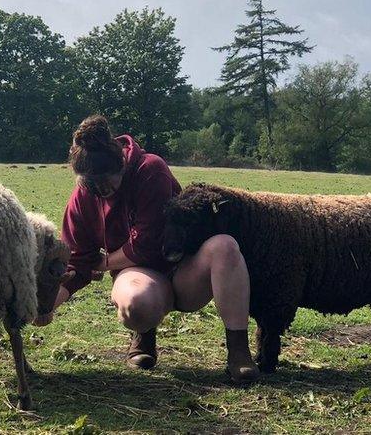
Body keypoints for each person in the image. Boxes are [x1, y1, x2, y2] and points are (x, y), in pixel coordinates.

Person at [33, 115, 259, 383]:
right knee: (136, 304)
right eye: (91, 185)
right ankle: (144, 334)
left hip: (183, 266)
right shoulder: (83, 198)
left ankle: (239, 352)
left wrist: (104, 263)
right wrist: (47, 306)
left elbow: (147, 243)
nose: (100, 191)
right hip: (138, 273)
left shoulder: (151, 170)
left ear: (121, 165)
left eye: (106, 182)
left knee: (226, 246)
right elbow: (76, 262)